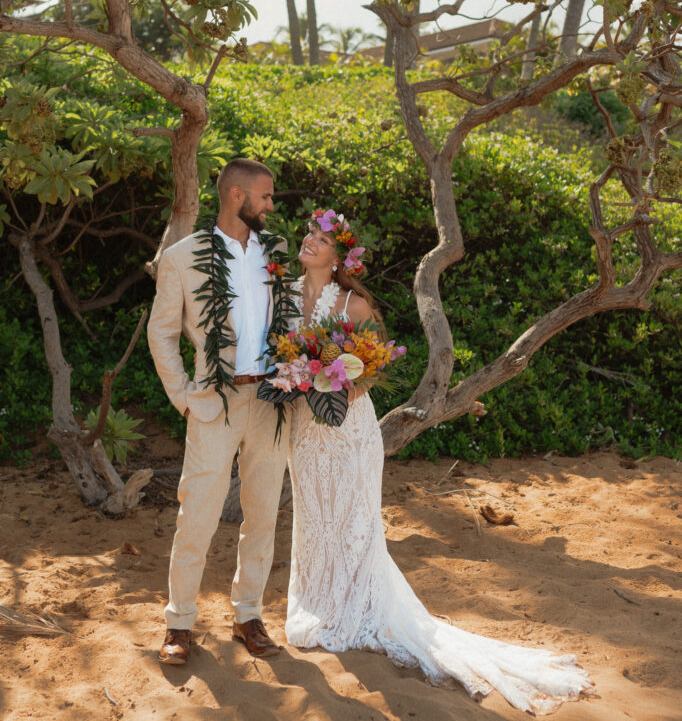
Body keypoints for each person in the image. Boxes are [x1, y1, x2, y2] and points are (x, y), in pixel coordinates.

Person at [285, 209, 593, 716]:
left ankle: (352, 609)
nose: (309, 241)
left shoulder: (354, 302)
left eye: (321, 238)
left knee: (351, 518)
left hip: (346, 428)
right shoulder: (286, 296)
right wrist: (297, 376)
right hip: (303, 428)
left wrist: (332, 380)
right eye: (308, 234)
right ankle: (319, 604)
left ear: (340, 255)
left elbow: (372, 369)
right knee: (314, 516)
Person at [148, 158, 290, 665]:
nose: (271, 205)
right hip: (213, 403)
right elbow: (162, 331)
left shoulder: (276, 252)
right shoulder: (183, 257)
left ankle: (248, 614)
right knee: (198, 514)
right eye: (266, 196)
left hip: (271, 403)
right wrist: (183, 394)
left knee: (263, 514)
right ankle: (179, 623)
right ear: (237, 196)